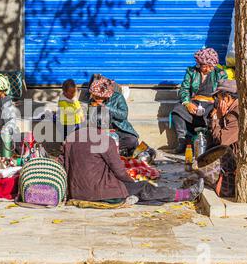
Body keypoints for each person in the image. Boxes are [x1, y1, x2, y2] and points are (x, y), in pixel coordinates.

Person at [59, 126, 204, 205]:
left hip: (76, 193)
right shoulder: (105, 140)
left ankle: (134, 196)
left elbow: (63, 165)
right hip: (100, 193)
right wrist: (132, 183)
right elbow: (119, 171)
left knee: (135, 191)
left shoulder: (71, 139)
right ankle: (186, 194)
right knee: (144, 188)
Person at [171, 48, 228, 154]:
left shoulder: (220, 73)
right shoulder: (191, 72)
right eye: (205, 66)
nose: (208, 69)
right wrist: (187, 103)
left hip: (211, 104)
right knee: (177, 110)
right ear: (199, 63)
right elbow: (184, 89)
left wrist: (217, 107)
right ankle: (182, 141)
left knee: (216, 116)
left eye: (211, 67)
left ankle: (211, 142)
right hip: (195, 103)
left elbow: (223, 93)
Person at [88, 76, 139, 156]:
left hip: (118, 129)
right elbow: (91, 121)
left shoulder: (118, 97)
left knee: (132, 140)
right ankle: (109, 151)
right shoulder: (92, 101)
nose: (96, 99)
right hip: (102, 131)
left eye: (98, 97)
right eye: (94, 96)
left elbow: (123, 115)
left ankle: (111, 151)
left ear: (106, 95)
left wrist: (106, 107)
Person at [209, 80, 239, 153]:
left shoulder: (234, 114)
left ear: (226, 98)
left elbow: (220, 141)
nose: (216, 101)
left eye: (217, 97)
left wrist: (217, 118)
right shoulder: (232, 109)